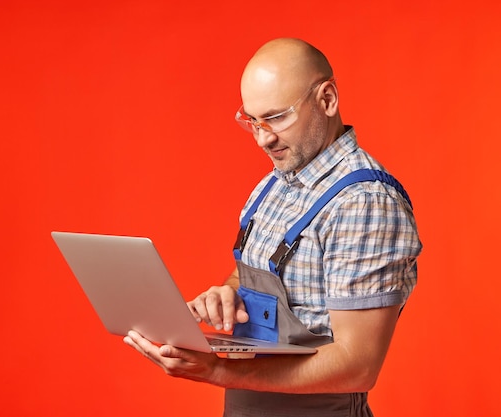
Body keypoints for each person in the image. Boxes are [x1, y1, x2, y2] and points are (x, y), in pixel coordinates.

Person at [123, 37, 422, 416]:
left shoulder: (362, 201)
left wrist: (218, 370)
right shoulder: (275, 184)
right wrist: (226, 294)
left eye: (277, 117)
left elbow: (357, 366)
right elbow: (254, 274)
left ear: (327, 99)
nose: (263, 138)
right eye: (252, 121)